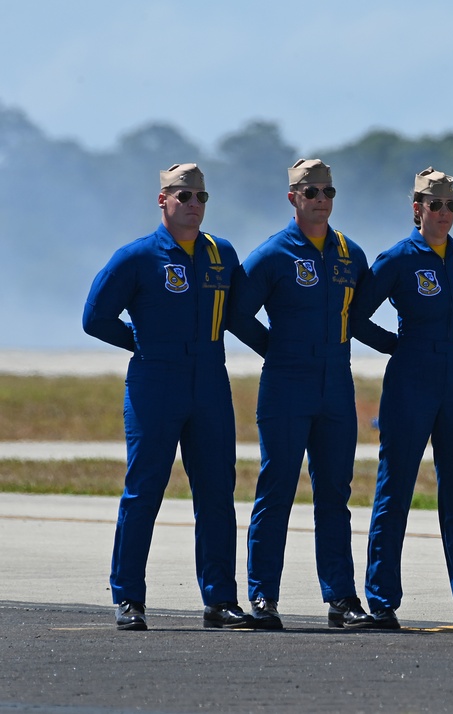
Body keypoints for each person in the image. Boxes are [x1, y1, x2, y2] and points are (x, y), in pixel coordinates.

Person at [83, 163, 253, 631]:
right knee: (144, 492)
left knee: (218, 493)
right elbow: (94, 317)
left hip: (210, 384)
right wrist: (140, 342)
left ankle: (220, 601)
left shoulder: (222, 254)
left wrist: (282, 350)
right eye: (183, 197)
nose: (193, 205)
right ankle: (128, 598)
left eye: (200, 197)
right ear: (163, 200)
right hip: (156, 383)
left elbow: (239, 313)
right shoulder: (137, 257)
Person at [228, 159, 395, 630]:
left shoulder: (349, 254)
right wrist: (276, 350)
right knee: (277, 488)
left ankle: (342, 599)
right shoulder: (273, 254)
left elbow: (361, 315)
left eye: (327, 191)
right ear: (293, 197)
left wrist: (397, 347)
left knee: (334, 495)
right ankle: (262, 597)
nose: (321, 199)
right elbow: (236, 314)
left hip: (336, 385)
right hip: (286, 384)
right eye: (311, 191)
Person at [354, 168, 453, 629]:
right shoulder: (398, 258)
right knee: (395, 490)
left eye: (451, 206)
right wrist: (395, 346)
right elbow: (355, 315)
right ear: (417, 208)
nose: (444, 214)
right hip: (411, 376)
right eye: (435, 205)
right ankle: (381, 602)